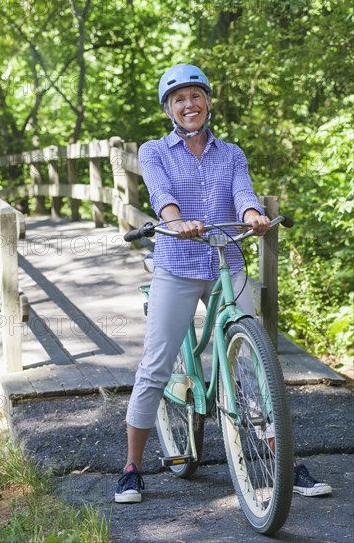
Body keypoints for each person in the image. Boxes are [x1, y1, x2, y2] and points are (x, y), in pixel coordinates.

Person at [115, 63, 332, 503]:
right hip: (177, 263)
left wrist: (253, 216)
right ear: (169, 109)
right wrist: (177, 223)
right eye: (179, 99)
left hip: (225, 258)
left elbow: (243, 191)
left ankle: (284, 464)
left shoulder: (230, 152)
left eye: (195, 96)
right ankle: (132, 467)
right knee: (156, 365)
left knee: (253, 366)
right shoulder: (155, 150)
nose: (188, 105)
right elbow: (161, 196)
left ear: (208, 102)